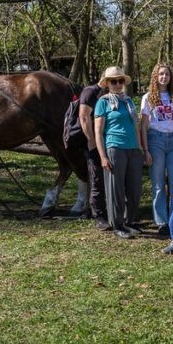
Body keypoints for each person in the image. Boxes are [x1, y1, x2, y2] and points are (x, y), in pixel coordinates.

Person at [92, 67, 143, 239]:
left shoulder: (128, 101)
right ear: (107, 83)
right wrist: (103, 156)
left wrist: (141, 148)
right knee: (116, 189)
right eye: (113, 81)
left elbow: (136, 126)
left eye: (120, 80)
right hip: (115, 147)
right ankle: (117, 224)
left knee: (134, 188)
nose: (117, 84)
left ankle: (129, 221)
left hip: (133, 148)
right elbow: (98, 132)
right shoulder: (103, 103)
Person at [140, 62, 173, 235]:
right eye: (161, 74)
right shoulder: (148, 97)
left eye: (167, 74)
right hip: (156, 140)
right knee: (158, 184)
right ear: (155, 76)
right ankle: (161, 222)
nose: (164, 77)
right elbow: (143, 126)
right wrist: (146, 150)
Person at [75, 74, 108, 230]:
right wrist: (91, 141)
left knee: (105, 177)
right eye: (112, 79)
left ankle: (109, 210)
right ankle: (98, 214)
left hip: (109, 141)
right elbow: (84, 117)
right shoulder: (90, 92)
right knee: (96, 178)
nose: (115, 82)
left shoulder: (112, 93)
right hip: (94, 142)